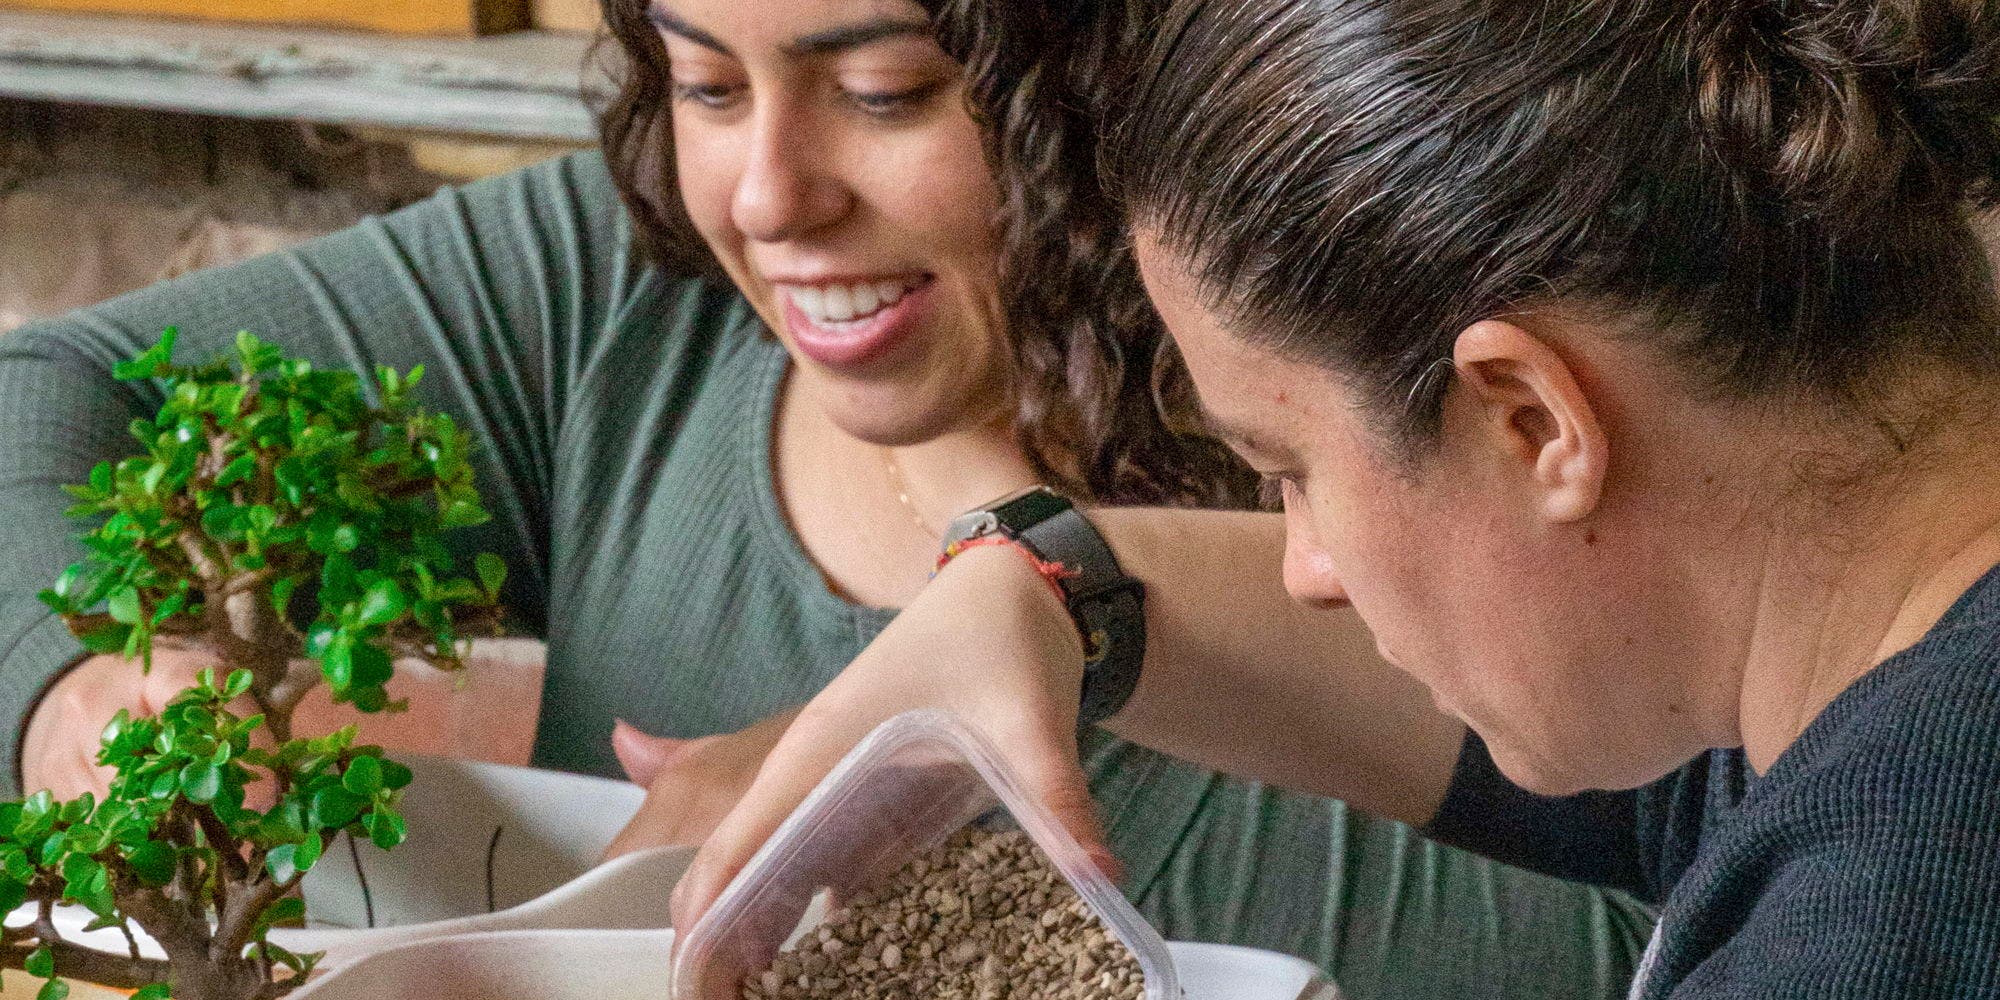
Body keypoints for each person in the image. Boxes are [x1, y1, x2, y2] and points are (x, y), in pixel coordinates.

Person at [0, 1, 1652, 996]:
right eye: (707, 84)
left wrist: (928, 836)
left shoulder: (1405, 406)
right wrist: (92, 684)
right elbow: (37, 395)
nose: (772, 192)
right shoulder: (611, 286)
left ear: (1102, 73)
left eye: (884, 91)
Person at [675, 0, 2000, 996]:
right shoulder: (1872, 654)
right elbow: (1677, 776)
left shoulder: (1886, 934)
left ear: (1534, 419)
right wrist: (1042, 588)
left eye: (1290, 470)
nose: (1303, 564)